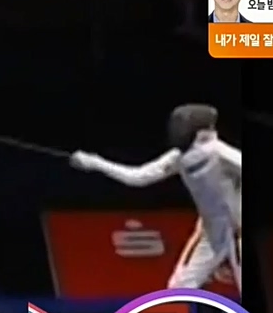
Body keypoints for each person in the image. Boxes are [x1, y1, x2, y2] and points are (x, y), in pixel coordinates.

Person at [70, 104, 242, 292]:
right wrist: (95, 163)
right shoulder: (178, 158)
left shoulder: (219, 153)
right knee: (177, 290)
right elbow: (138, 176)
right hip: (212, 234)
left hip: (236, 231)